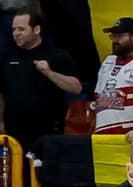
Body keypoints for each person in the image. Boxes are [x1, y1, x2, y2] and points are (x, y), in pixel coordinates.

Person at [0, 8, 83, 151]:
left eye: (21, 29)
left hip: (48, 131)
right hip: (14, 133)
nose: (16, 34)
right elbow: (1, 93)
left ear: (36, 29)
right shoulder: (8, 58)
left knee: (43, 171)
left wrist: (49, 73)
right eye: (14, 29)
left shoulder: (57, 56)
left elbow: (76, 87)